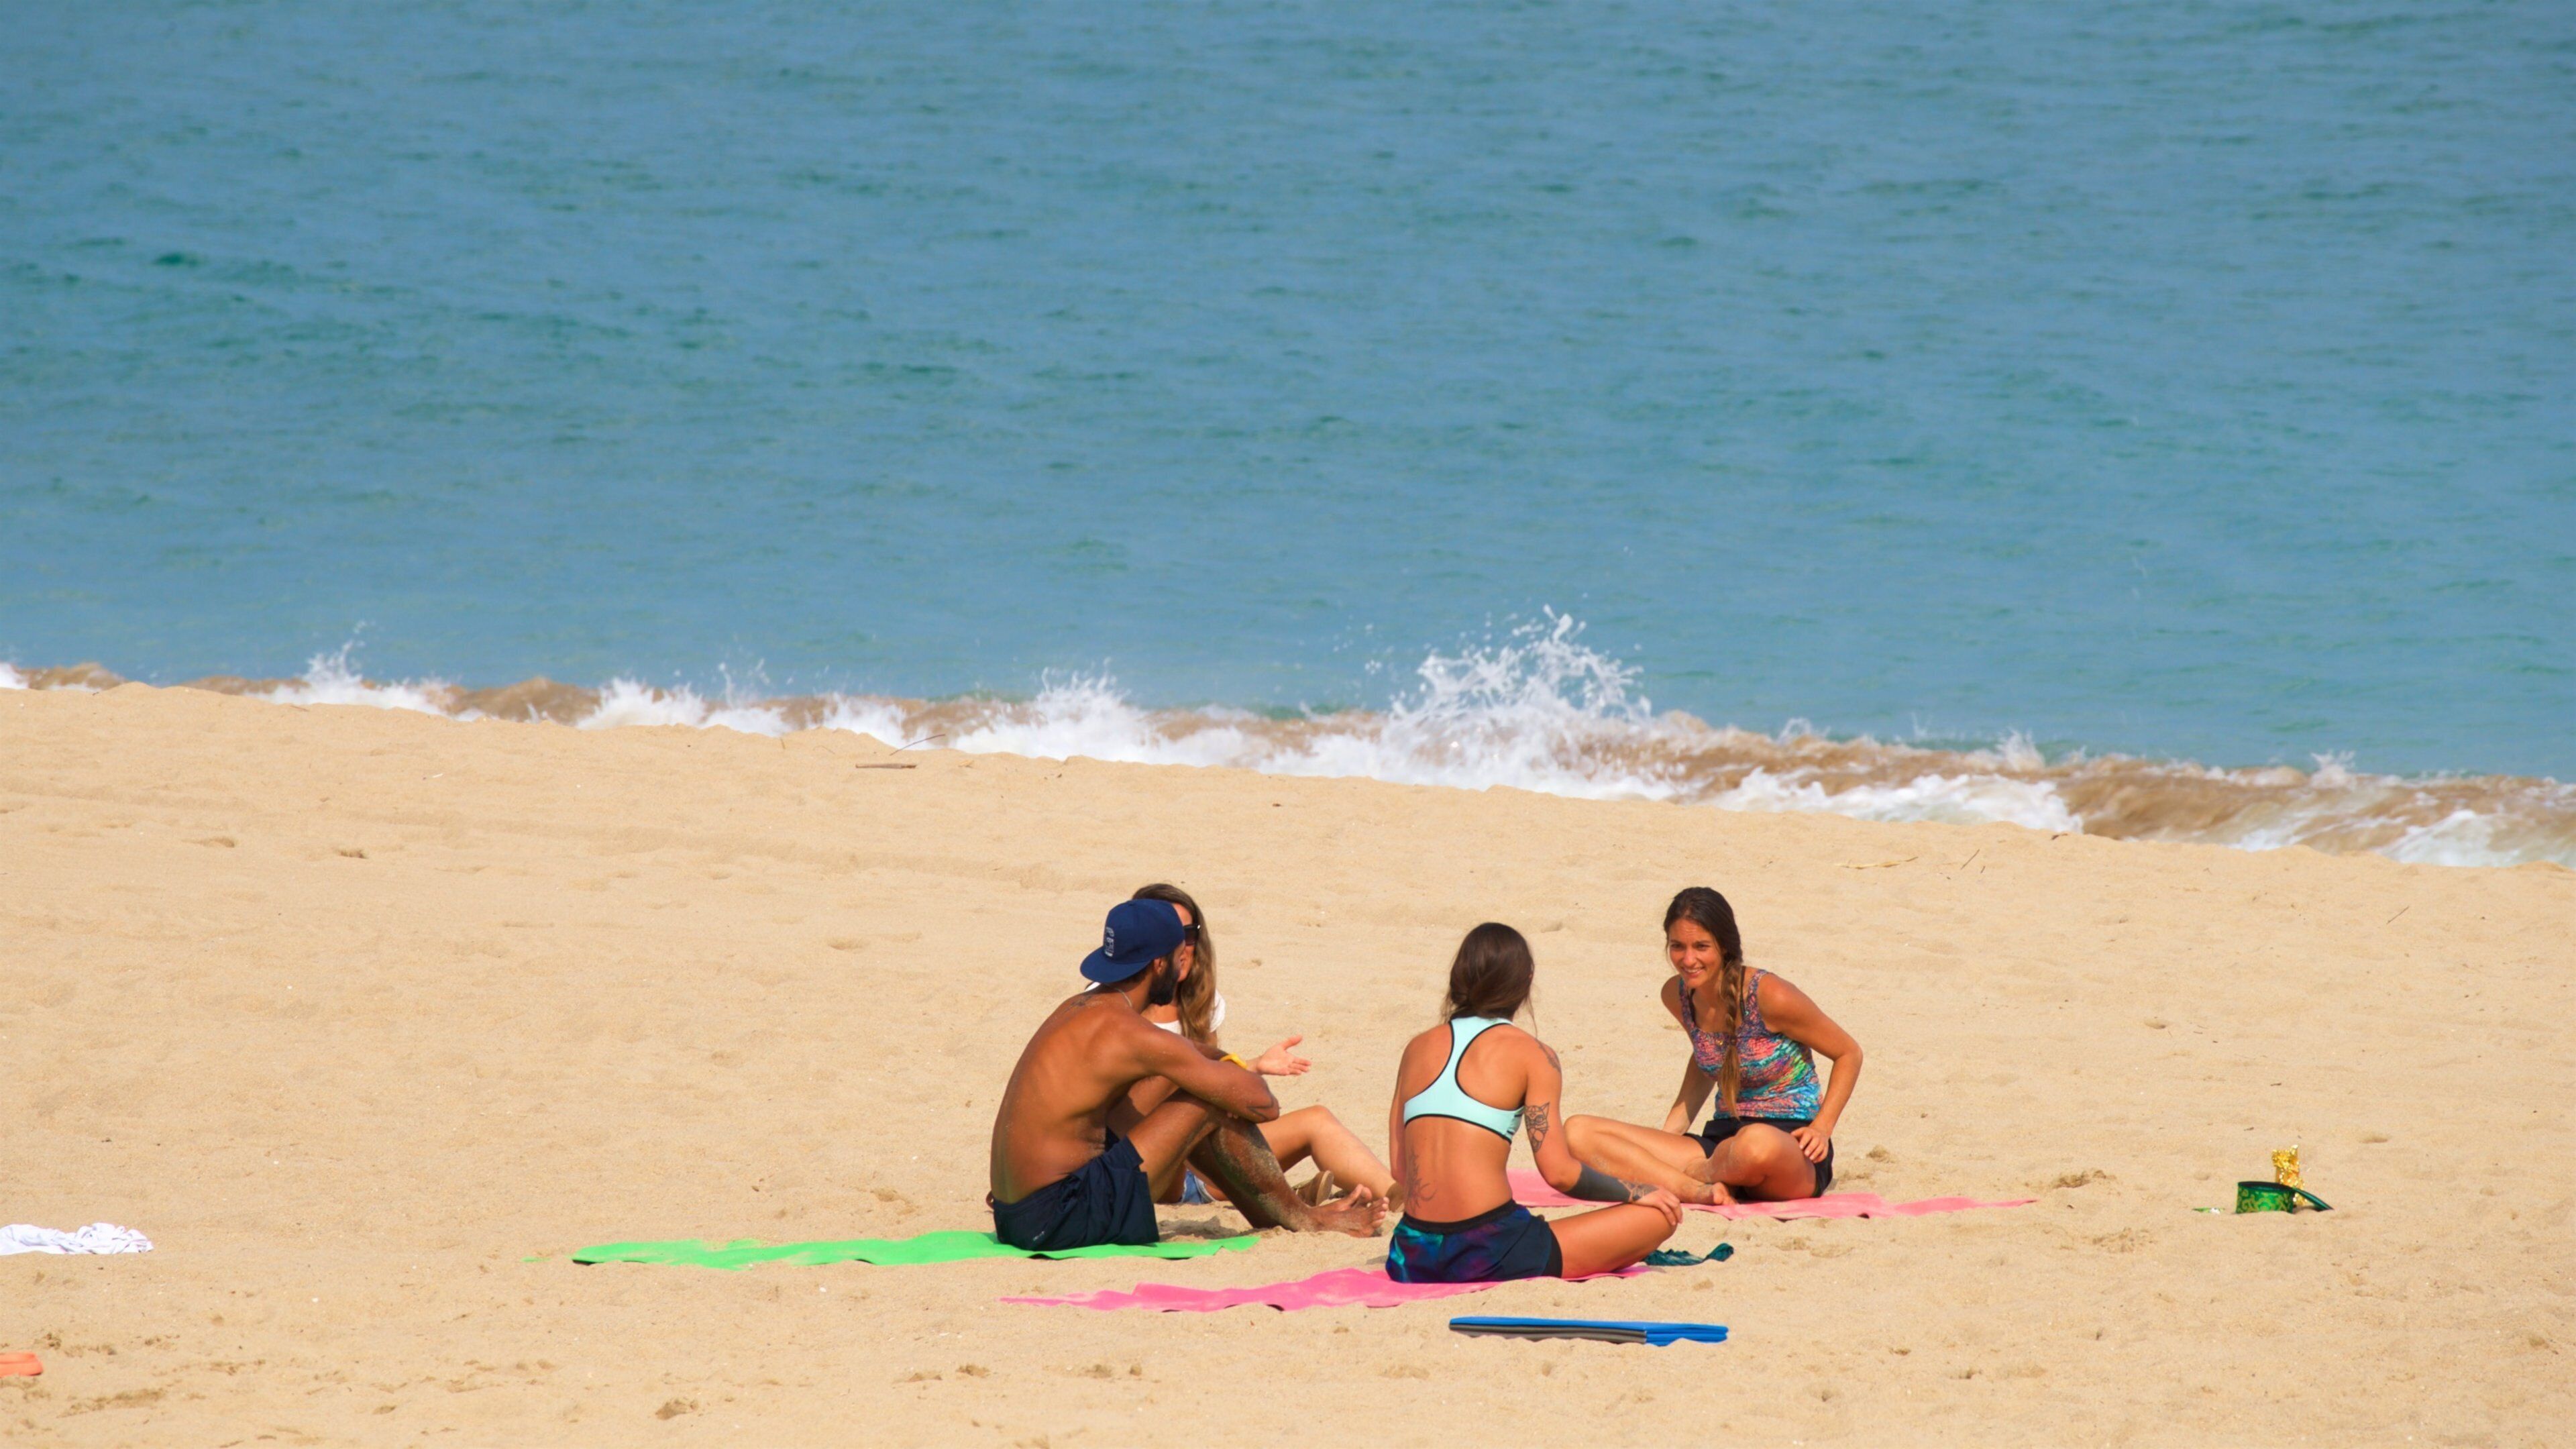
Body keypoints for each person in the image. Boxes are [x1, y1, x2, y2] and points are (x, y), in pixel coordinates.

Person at [987, 897, 1386, 1251]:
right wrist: (1222, 1070)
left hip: (1017, 1215)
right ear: (1159, 964)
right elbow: (1263, 1105)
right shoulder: (1129, 1032)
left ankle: (1285, 1212)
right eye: (1179, 956)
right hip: (1057, 1219)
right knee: (1206, 1102)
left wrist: (1210, 1058)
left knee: (1171, 1084)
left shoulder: (1081, 1008)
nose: (1184, 964)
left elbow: (1187, 1061)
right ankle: (1304, 1218)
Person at [1383, 923, 1682, 1283]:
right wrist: (1638, 1190)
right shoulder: (1534, 1055)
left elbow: (1400, 1171)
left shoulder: (1416, 1048)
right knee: (1659, 1215)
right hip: (1489, 1249)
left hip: (1413, 1254)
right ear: (1526, 980)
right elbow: (1560, 1173)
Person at [1564, 887, 1864, 1205]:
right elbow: (1705, 1058)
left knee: (1755, 1144)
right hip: (1722, 1141)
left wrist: (1822, 1128)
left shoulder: (1770, 995)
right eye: (1677, 947)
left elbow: (1849, 1053)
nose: (1688, 959)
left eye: (1701, 947)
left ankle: (1699, 1175)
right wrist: (1671, 1134)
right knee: (1577, 1132)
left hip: (1788, 1149)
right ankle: (1700, 1189)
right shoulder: (1677, 995)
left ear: (1725, 946)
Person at [1119, 883, 1399, 1207]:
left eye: (1189, 935)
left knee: (1317, 1120)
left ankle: (1399, 1199)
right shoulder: (1115, 1004)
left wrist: (1255, 1065)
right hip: (1154, 1168)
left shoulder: (1201, 1004)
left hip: (1206, 1164)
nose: (1182, 947)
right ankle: (1292, 1197)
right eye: (1169, 937)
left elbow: (1201, 1076)